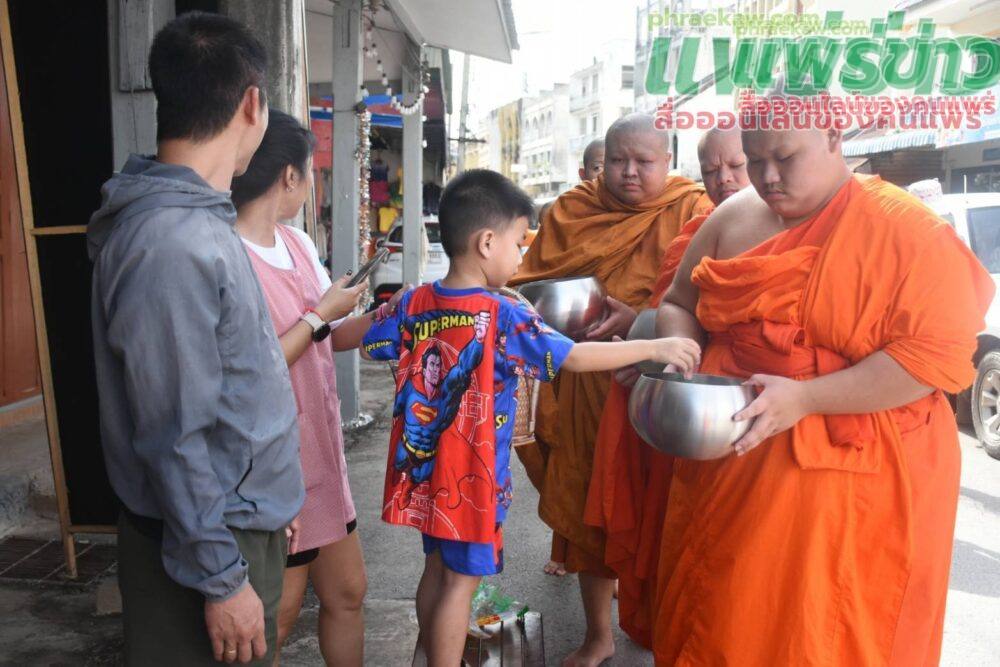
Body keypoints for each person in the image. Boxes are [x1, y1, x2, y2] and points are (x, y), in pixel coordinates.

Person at [652, 111, 993, 665]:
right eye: (755, 160)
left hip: (858, 474)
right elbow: (677, 303)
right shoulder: (731, 218)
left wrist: (807, 397)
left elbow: (932, 360)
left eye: (784, 158)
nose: (767, 176)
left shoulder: (904, 228)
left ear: (834, 137)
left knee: (827, 629)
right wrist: (681, 354)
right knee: (725, 612)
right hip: (733, 455)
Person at [360, 169, 702, 666]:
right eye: (519, 243)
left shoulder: (415, 300)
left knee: (436, 570)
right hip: (469, 481)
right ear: (486, 243)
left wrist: (330, 320)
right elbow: (575, 357)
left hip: (422, 470)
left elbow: (363, 339)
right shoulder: (503, 314)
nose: (522, 257)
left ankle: (425, 657)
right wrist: (654, 346)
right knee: (460, 584)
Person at [88, 13, 299, 666]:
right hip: (205, 545)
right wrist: (223, 577)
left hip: (231, 522)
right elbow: (172, 434)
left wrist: (271, 494)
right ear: (252, 105)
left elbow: (232, 384)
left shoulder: (199, 221)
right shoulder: (172, 243)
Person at [508, 113, 712, 667]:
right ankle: (598, 635)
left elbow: (705, 296)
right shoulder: (572, 210)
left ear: (667, 162)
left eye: (644, 162)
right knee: (590, 509)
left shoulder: (693, 209)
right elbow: (525, 285)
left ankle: (656, 622)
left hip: (659, 383)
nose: (629, 172)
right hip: (585, 382)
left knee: (659, 509)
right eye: (618, 160)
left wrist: (641, 319)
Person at [230, 110, 403, 666]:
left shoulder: (298, 242)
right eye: (310, 173)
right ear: (289, 176)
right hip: (270, 458)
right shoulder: (226, 255)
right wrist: (319, 314)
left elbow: (331, 335)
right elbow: (250, 371)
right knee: (277, 614)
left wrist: (389, 317)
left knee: (348, 591)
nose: (310, 184)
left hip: (321, 451)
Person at [583, 126, 750, 648]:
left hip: (749, 407)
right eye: (712, 170)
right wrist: (645, 340)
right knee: (672, 531)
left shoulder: (804, 223)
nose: (724, 180)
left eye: (737, 166)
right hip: (681, 400)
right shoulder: (700, 228)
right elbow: (670, 308)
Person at [542, 135, 610, 579]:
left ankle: (614, 565)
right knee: (573, 463)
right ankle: (569, 552)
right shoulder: (568, 213)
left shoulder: (672, 208)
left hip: (628, 362)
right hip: (573, 357)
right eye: (602, 165)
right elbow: (539, 276)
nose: (615, 173)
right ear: (584, 172)